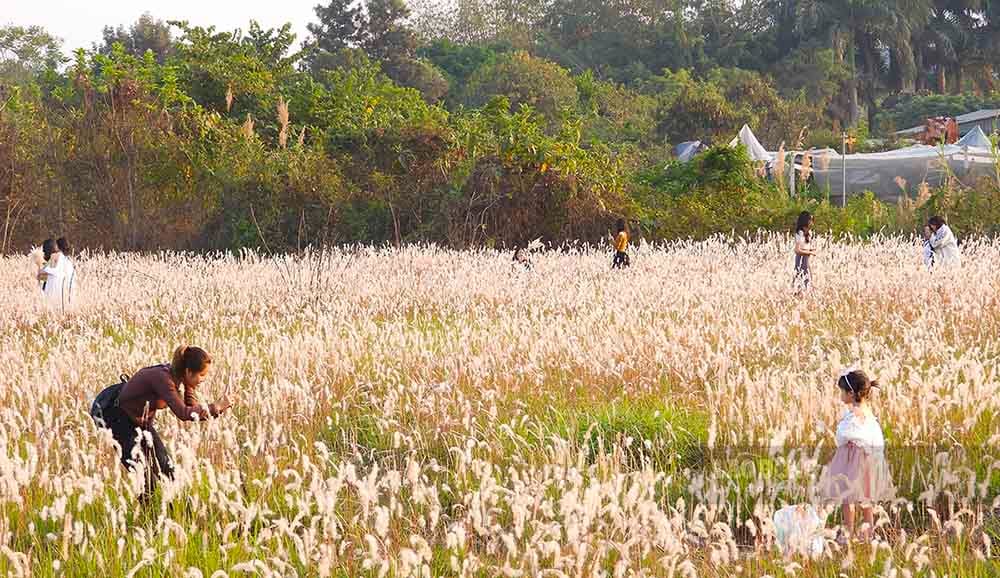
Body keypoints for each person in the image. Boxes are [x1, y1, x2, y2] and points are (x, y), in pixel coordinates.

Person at [98, 346, 231, 501]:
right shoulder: (163, 379)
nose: (204, 379)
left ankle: (178, 515)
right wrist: (217, 406)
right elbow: (183, 413)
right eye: (201, 375)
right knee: (146, 480)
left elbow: (191, 409)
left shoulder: (179, 375)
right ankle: (148, 520)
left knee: (169, 470)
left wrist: (191, 387)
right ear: (188, 371)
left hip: (141, 423)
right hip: (116, 420)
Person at [821, 369, 894, 544]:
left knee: (848, 499)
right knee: (866, 497)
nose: (840, 394)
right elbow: (875, 437)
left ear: (851, 393)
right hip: (867, 458)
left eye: (841, 391)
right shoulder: (868, 413)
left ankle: (849, 532)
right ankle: (868, 532)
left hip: (852, 459)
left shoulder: (853, 415)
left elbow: (842, 436)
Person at [37, 238, 72, 306]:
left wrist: (39, 262)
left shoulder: (55, 260)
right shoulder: (67, 262)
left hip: (55, 303)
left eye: (44, 252)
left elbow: (41, 278)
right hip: (65, 301)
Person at [793, 212, 817, 290]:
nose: (812, 222)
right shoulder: (800, 233)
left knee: (808, 281)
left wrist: (810, 250)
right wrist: (810, 252)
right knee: (801, 282)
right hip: (800, 259)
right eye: (810, 220)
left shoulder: (809, 233)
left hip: (806, 259)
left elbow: (804, 247)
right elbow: (797, 250)